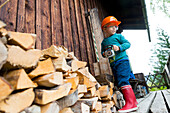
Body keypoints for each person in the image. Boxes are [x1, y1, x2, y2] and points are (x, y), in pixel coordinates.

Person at [101, 16, 138, 113]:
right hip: (113, 63)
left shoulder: (119, 36)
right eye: (111, 26)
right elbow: (102, 53)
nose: (114, 28)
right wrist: (104, 54)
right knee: (119, 81)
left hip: (122, 61)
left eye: (115, 27)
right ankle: (133, 101)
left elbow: (128, 44)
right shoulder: (104, 42)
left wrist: (119, 47)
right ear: (105, 28)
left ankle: (130, 104)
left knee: (123, 80)